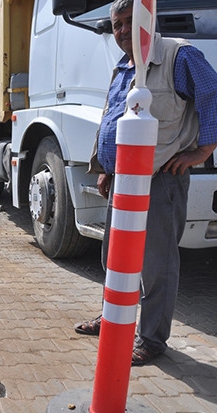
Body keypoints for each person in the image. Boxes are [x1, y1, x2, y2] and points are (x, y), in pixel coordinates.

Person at [74, 0, 217, 366]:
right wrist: (105, 166)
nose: (123, 31)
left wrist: (202, 151)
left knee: (156, 265)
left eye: (130, 22)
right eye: (117, 24)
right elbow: (115, 116)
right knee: (113, 257)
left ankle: (152, 339)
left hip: (159, 179)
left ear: (148, 20)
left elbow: (212, 97)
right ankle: (113, 318)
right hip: (122, 180)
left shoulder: (178, 56)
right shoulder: (123, 66)